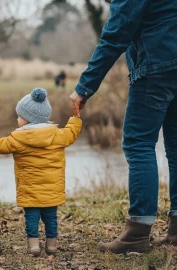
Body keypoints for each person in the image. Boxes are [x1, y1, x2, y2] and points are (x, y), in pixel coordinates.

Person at [70, 0, 177, 253]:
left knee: (138, 143)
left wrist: (85, 86)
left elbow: (116, 33)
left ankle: (136, 234)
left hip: (156, 65)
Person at [0, 88, 82, 256]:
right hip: (51, 190)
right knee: (51, 218)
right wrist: (75, 119)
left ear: (27, 119)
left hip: (29, 190)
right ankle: (52, 246)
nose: (17, 119)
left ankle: (34, 246)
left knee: (31, 218)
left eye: (19, 116)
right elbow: (72, 132)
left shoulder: (17, 139)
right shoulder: (58, 135)